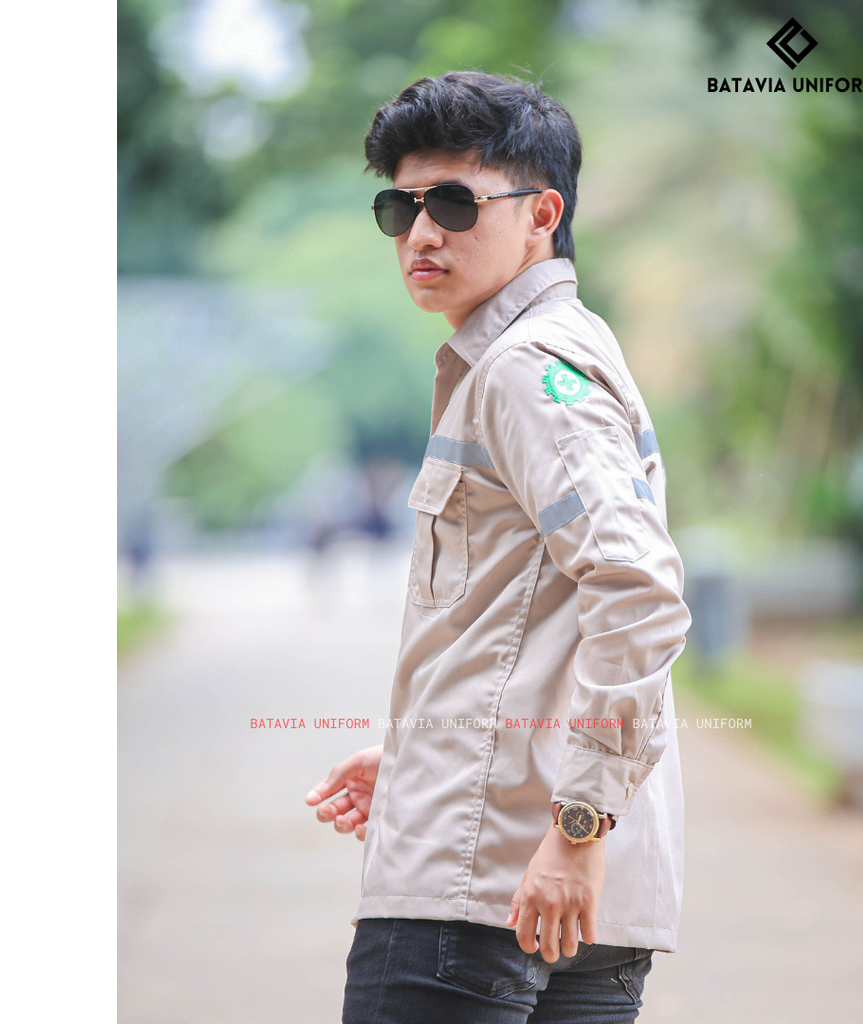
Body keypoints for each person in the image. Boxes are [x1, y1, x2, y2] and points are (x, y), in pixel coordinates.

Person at [305, 70, 691, 1024]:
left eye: (452, 203)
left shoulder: (527, 370)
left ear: (541, 215)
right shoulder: (562, 351)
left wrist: (579, 823)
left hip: (480, 898)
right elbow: (537, 617)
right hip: (566, 896)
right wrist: (430, 754)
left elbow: (639, 591)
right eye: (400, 208)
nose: (421, 234)